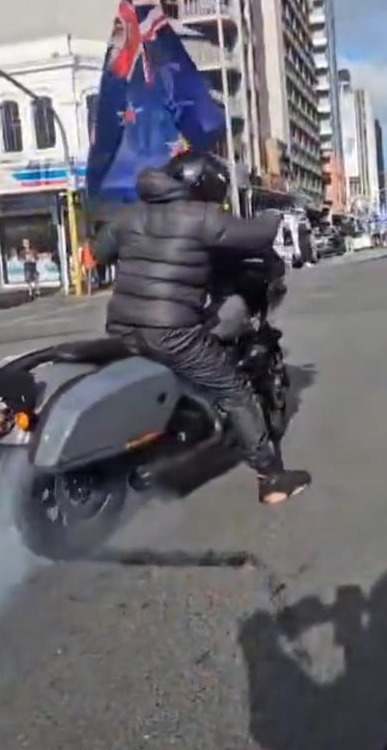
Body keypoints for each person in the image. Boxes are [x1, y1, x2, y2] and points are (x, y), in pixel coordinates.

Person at [93, 152, 311, 506]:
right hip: (171, 332)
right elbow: (255, 235)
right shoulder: (201, 217)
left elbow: (100, 252)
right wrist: (274, 217)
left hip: (121, 325)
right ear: (204, 185)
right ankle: (272, 479)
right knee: (233, 390)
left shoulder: (129, 214)